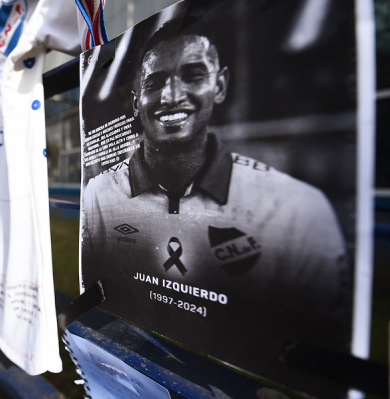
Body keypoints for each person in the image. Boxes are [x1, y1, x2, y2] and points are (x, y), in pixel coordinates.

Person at [81, 24, 350, 394]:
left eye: (193, 75)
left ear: (219, 86)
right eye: (156, 83)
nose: (172, 96)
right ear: (136, 101)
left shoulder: (297, 210)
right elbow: (97, 311)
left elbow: (322, 370)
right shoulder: (99, 196)